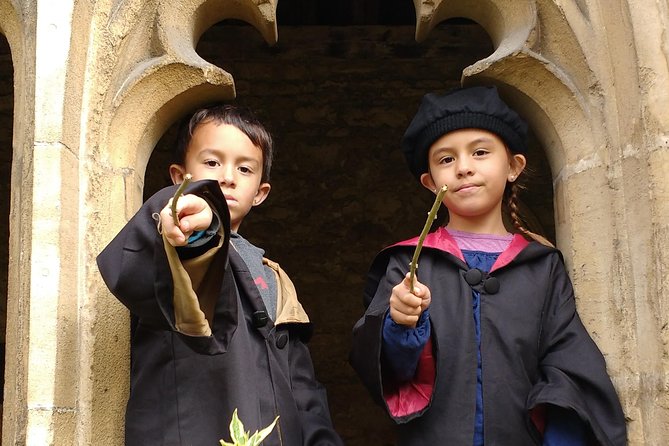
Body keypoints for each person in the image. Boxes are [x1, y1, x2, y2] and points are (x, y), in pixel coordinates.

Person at [349, 86, 627, 445]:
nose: (464, 168)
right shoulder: (408, 265)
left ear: (513, 166)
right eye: (446, 160)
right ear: (431, 183)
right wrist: (401, 324)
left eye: (480, 152)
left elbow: (566, 368)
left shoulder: (542, 267)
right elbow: (392, 374)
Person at [97, 104, 343, 446]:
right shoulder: (173, 243)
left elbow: (302, 388)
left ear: (260, 193)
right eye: (212, 163)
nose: (227, 177)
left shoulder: (275, 279)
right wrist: (195, 223)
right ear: (178, 176)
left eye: (244, 168)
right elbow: (190, 256)